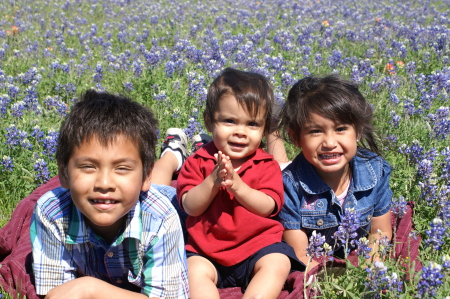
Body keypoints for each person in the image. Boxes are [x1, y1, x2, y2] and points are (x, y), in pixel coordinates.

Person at [30, 90, 189, 299]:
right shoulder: (51, 212)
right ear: (64, 173)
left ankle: (172, 154)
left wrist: (91, 289)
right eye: (88, 166)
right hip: (135, 194)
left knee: (158, 181)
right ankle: (168, 153)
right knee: (133, 187)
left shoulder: (162, 217)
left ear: (145, 175)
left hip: (161, 197)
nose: (104, 184)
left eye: (122, 168)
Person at [176, 67, 305, 299]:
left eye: (252, 124)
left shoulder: (267, 164)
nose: (240, 132)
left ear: (265, 129)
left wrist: (238, 186)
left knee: (279, 262)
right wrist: (213, 181)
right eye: (229, 121)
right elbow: (189, 206)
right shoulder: (198, 161)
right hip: (206, 251)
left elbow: (268, 206)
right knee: (191, 270)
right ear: (209, 122)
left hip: (258, 247)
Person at [277, 75, 393, 272]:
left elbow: (380, 233)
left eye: (341, 129)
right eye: (315, 131)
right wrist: (331, 285)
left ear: (358, 131)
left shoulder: (376, 171)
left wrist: (366, 269)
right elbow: (301, 253)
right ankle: (274, 138)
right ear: (295, 137)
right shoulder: (288, 185)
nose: (330, 143)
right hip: (317, 263)